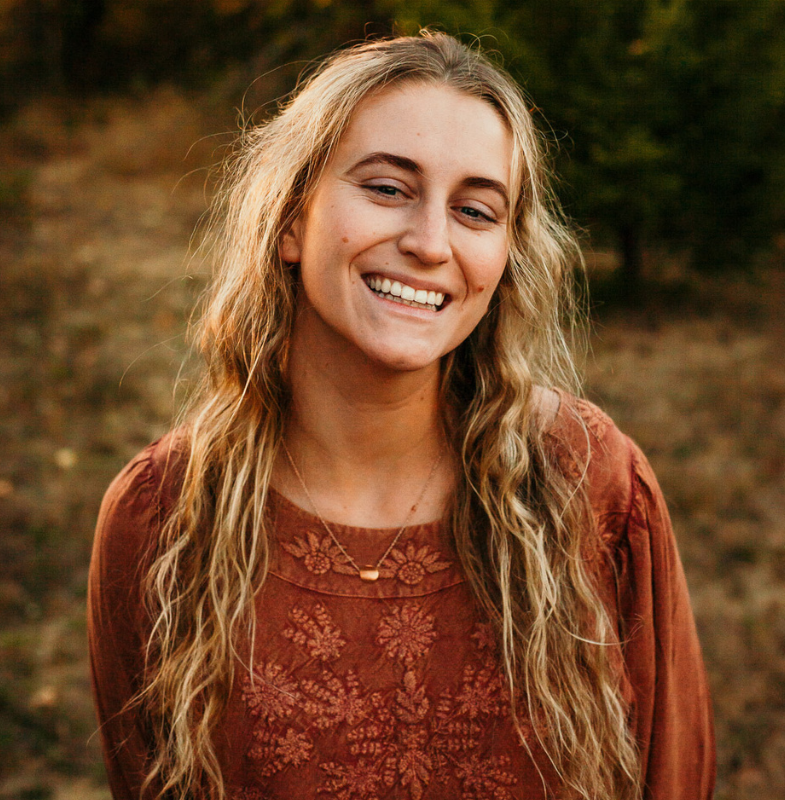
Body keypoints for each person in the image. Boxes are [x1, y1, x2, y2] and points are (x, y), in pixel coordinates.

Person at [88, 31, 715, 800]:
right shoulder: (161, 517)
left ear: (505, 258)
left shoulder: (592, 482)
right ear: (291, 219)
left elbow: (673, 777)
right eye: (387, 189)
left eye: (475, 211)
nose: (429, 243)